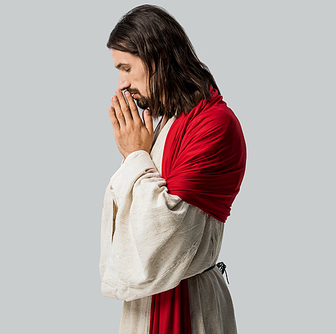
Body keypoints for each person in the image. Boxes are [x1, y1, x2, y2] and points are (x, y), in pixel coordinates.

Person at [99, 5, 246, 334]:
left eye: (126, 68)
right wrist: (138, 154)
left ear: (159, 57)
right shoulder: (164, 122)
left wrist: (135, 154)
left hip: (189, 304)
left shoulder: (213, 124)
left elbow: (165, 235)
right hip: (146, 304)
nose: (121, 84)